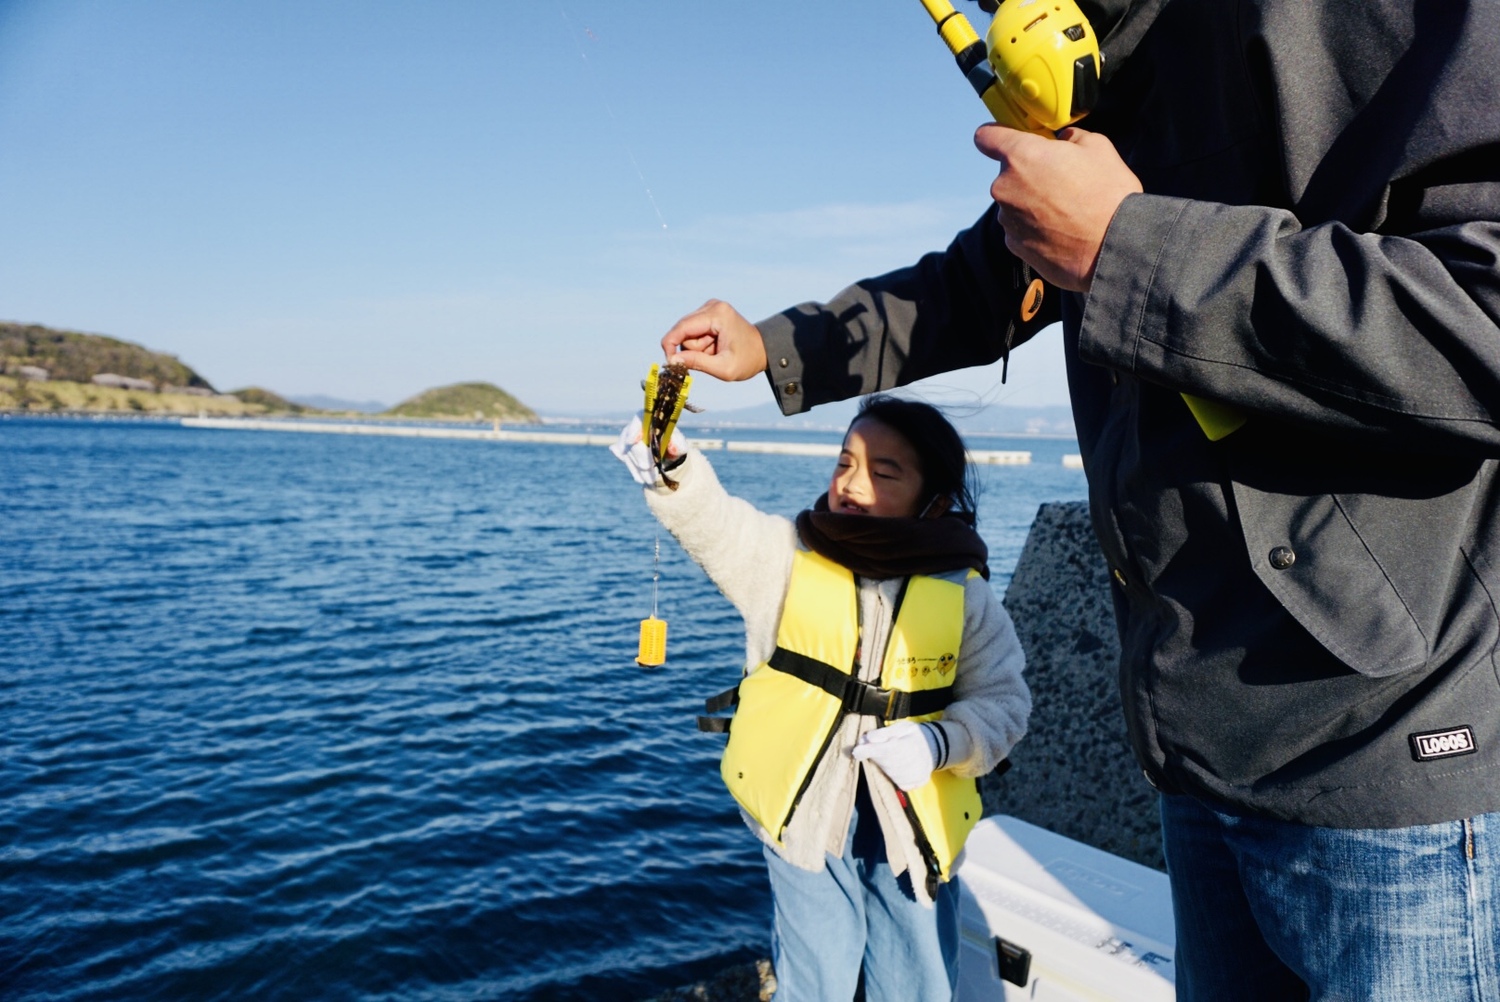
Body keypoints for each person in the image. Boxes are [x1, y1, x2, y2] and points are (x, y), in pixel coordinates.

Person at [655, 1, 1500, 999]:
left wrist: (1128, 249)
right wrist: (775, 347)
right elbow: (980, 283)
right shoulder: (1118, 65)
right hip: (1194, 744)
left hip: (1391, 748)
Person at [613, 395, 1030, 1001]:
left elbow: (1004, 702)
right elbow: (721, 527)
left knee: (917, 978)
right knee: (815, 975)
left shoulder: (966, 596)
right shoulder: (787, 558)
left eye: (885, 472)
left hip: (913, 826)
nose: (853, 482)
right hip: (800, 818)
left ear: (934, 500)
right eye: (844, 462)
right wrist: (674, 468)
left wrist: (939, 742)